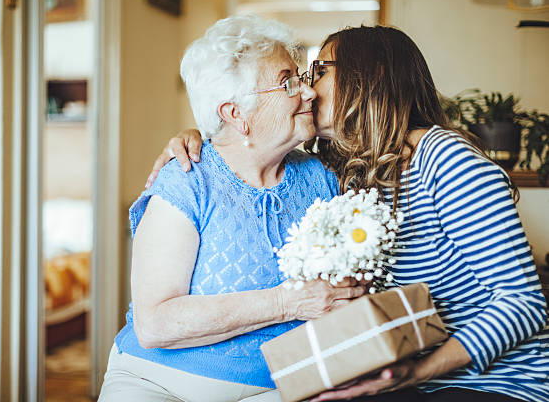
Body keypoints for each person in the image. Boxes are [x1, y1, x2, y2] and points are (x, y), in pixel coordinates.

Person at [150, 26, 549, 402]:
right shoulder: (346, 171)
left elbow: (523, 303)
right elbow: (252, 140)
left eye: (318, 71)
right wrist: (200, 139)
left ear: (367, 78)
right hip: (404, 378)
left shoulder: (445, 159)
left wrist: (419, 371)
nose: (306, 88)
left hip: (498, 382)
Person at [98, 15, 367, 402]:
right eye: (288, 81)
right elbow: (154, 323)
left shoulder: (323, 178)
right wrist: (286, 302)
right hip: (158, 383)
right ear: (235, 113)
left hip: (284, 386)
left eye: (302, 78)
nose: (308, 93)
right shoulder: (187, 181)